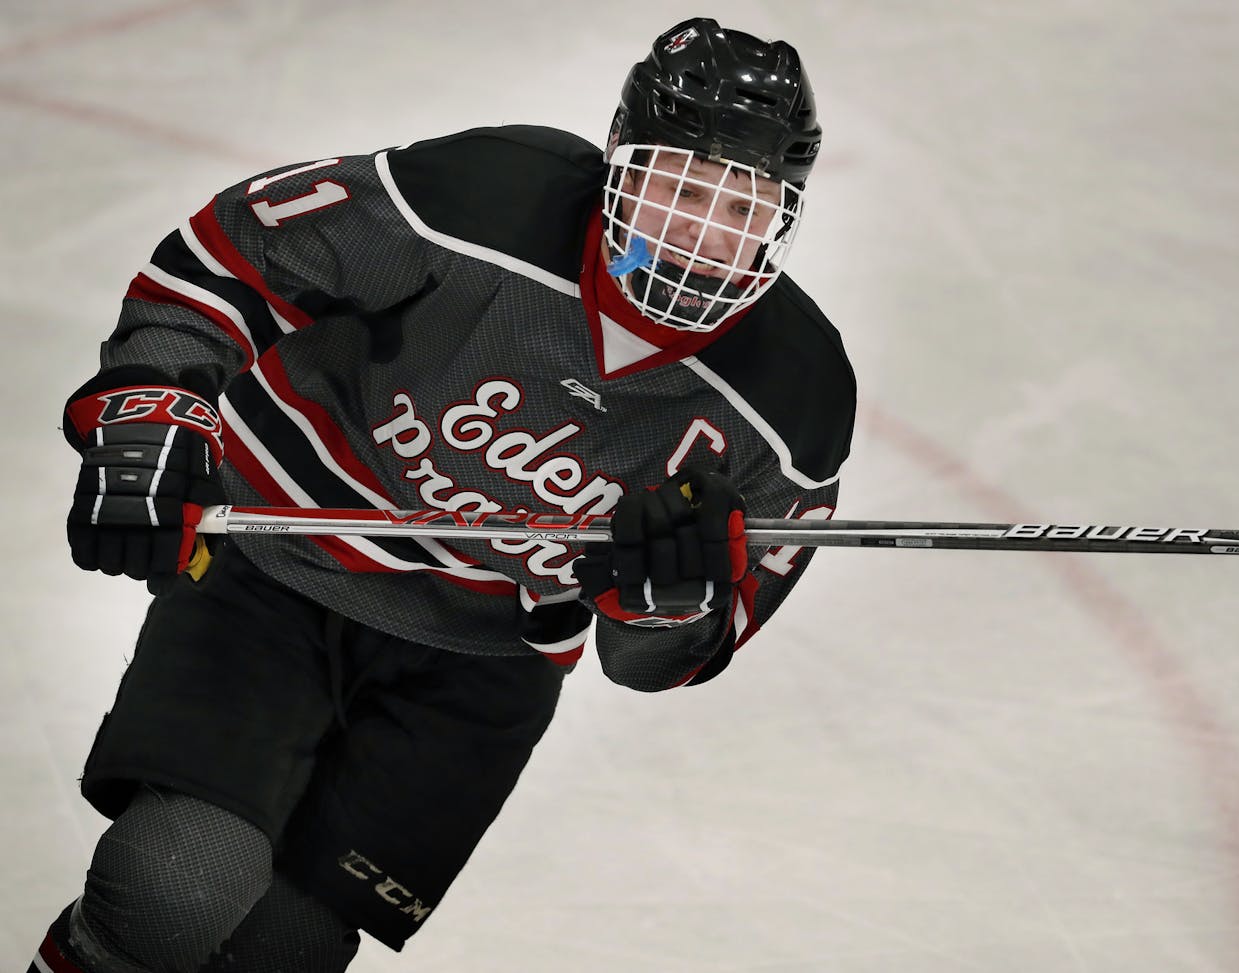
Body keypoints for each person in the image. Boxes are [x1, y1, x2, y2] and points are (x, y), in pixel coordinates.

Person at [30, 16, 855, 972]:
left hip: (483, 663)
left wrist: (664, 598)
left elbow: (660, 659)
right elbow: (233, 256)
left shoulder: (795, 399)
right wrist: (156, 406)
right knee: (171, 891)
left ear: (785, 215)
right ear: (619, 164)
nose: (702, 236)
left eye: (741, 206)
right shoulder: (482, 199)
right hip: (279, 569)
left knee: (283, 947)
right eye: (678, 187)